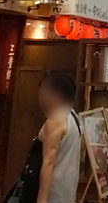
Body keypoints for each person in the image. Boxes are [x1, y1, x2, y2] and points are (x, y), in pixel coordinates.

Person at [36, 72, 81, 203]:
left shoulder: (55, 119)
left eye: (43, 92)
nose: (40, 97)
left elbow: (48, 163)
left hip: (53, 193)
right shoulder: (74, 117)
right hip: (66, 191)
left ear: (55, 95)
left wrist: (42, 200)